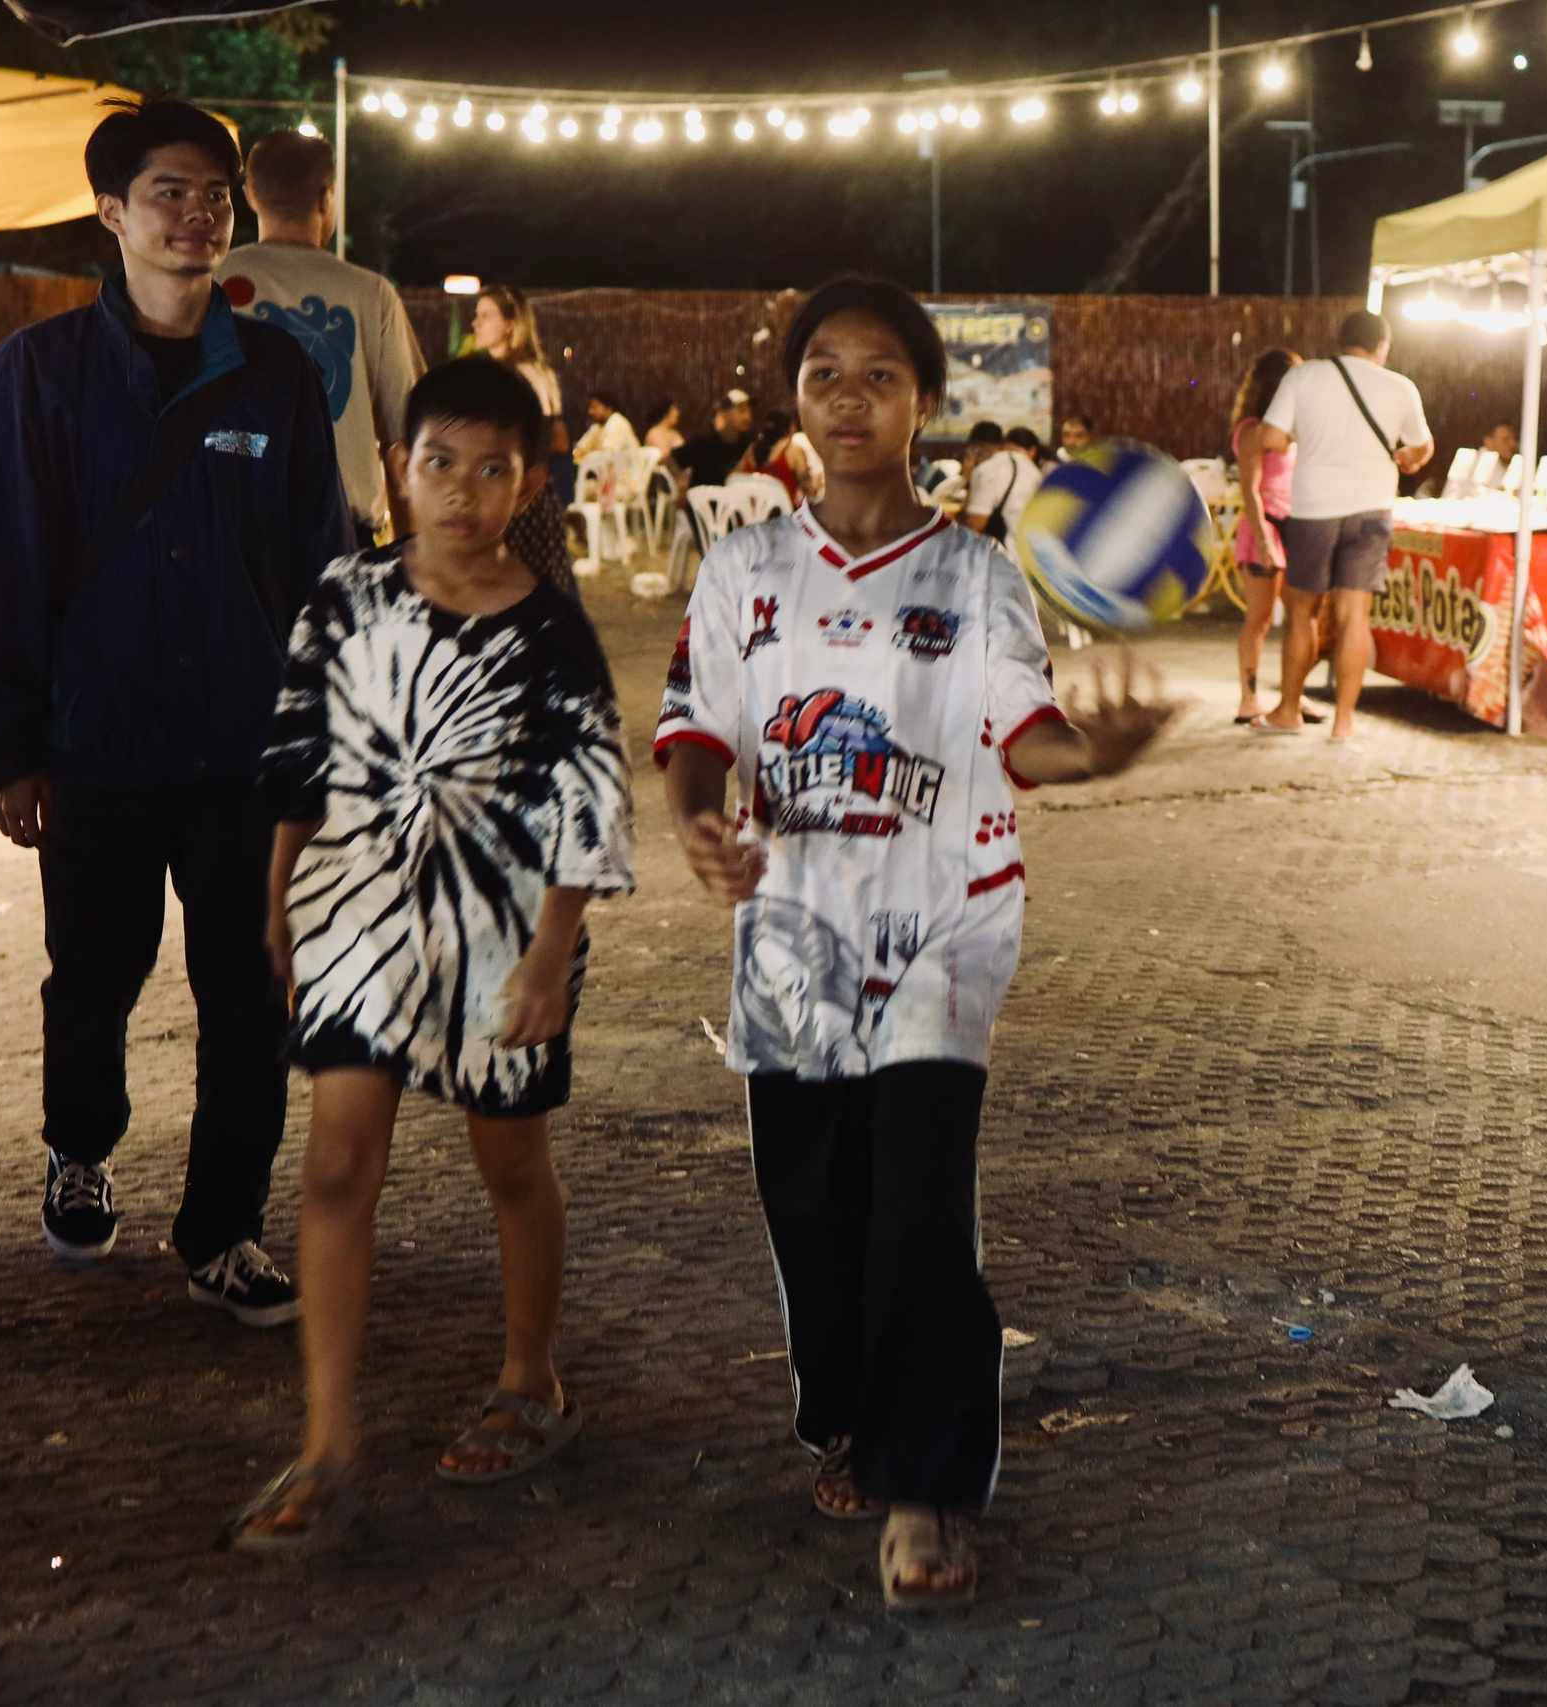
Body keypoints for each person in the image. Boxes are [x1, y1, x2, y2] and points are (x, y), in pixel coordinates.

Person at [656, 275, 1173, 1611]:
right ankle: (847, 1408)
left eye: (879, 373)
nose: (848, 393)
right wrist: (702, 821)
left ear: (925, 405)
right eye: (823, 370)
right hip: (791, 925)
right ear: (793, 399)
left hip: (948, 918)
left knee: (919, 1195)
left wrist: (1093, 753)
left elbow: (1025, 733)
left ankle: (933, 1478)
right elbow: (698, 730)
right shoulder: (743, 566)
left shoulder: (978, 573)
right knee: (812, 1200)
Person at [0, 97, 352, 1323]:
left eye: (214, 191)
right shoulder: (35, 378)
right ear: (110, 212)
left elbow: (319, 567)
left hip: (242, 749)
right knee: (95, 975)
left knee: (250, 992)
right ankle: (79, 1148)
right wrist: (3, 747)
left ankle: (222, 1228)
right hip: (96, 744)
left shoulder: (275, 374)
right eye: (169, 191)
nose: (198, 212)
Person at [226, 357, 634, 1552]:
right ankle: (326, 1439)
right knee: (336, 1167)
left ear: (529, 483)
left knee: (508, 1162)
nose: (459, 491)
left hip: (503, 928)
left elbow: (588, 803)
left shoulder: (550, 628)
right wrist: (278, 897)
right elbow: (298, 757)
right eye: (437, 462)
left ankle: (530, 1379)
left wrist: (554, 955)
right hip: (353, 910)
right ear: (398, 470)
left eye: (490, 468)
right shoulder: (343, 599)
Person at [218, 129, 427, 544]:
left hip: (226, 528)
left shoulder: (209, 281)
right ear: (326, 196)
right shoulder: (369, 293)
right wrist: (409, 550)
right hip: (340, 534)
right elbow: (408, 436)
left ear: (250, 196)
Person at [1255, 310, 1434, 738]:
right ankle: (1344, 722)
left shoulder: (1305, 377)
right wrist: (1409, 458)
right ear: (1382, 346)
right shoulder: (1400, 386)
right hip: (1372, 509)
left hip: (1315, 508)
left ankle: (1288, 712)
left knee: (1303, 613)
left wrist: (1306, 435)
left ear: (1342, 339)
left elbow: (1270, 439)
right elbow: (1421, 447)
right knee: (1356, 616)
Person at [467, 285, 576, 591]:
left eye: (486, 316)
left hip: (511, 505)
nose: (476, 323)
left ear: (510, 326)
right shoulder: (541, 372)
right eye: (476, 316)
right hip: (539, 500)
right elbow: (559, 439)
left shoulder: (509, 378)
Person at [1227, 348, 1300, 724]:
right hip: (1265, 527)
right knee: (1260, 618)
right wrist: (1265, 539)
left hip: (1296, 525)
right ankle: (1248, 699)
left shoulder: (1293, 429)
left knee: (1300, 618)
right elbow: (1250, 490)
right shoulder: (1254, 429)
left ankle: (1292, 699)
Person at [959, 418, 1039, 549]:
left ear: (975, 448)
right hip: (1032, 557)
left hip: (1005, 556)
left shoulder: (988, 470)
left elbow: (973, 527)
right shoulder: (1026, 464)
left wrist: (969, 482)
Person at [673, 388, 754, 488]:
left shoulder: (751, 442)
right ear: (725, 414)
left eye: (749, 412)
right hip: (703, 502)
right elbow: (670, 462)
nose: (747, 417)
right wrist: (679, 483)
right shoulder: (703, 443)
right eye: (741, 411)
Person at [746, 407, 814, 502]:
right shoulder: (793, 450)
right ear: (791, 428)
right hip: (785, 513)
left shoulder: (751, 451)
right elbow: (808, 489)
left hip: (752, 513)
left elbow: (733, 478)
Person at [571, 390, 638, 461]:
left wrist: (586, 454)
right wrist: (580, 452)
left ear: (609, 409)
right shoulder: (596, 426)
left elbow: (607, 455)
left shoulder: (617, 422)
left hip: (627, 471)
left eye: (594, 407)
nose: (590, 411)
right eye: (590, 407)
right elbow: (579, 449)